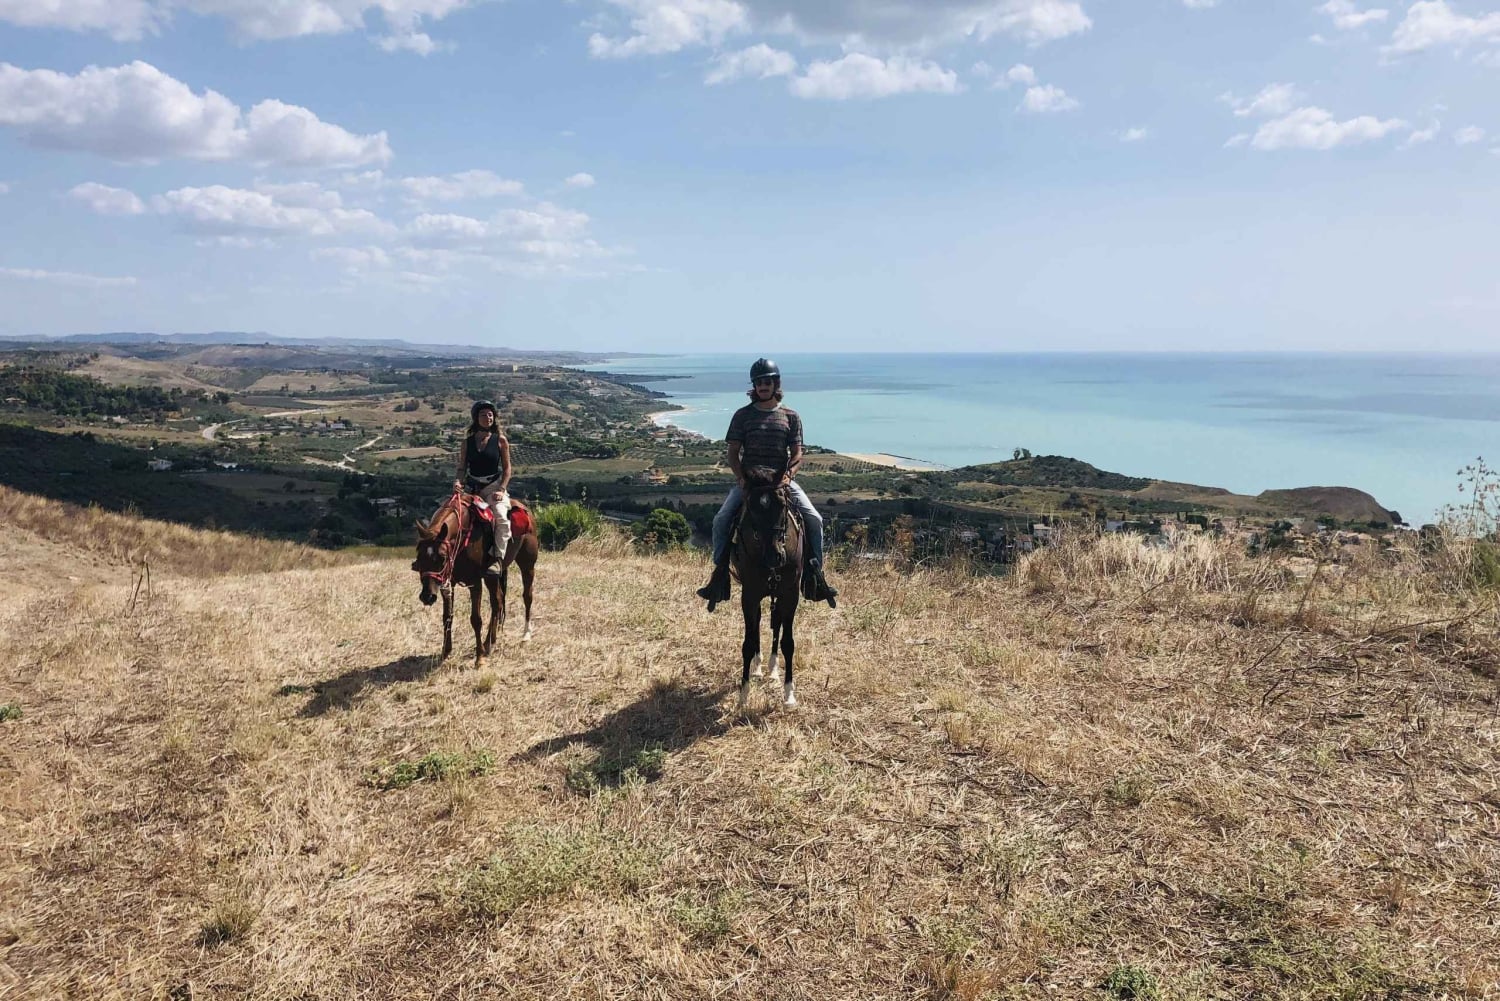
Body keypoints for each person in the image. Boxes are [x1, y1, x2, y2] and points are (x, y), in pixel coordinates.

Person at [697, 358, 837, 609]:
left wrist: (789, 475)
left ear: (775, 384)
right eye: (759, 382)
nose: (763, 386)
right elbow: (733, 453)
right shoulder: (742, 416)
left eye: (767, 381)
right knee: (721, 520)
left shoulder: (790, 417)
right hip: (750, 483)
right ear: (754, 386)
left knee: (814, 519)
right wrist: (741, 478)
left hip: (780, 482)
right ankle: (719, 576)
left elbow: (797, 453)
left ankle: (815, 576)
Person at [454, 399, 512, 567]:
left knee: (501, 518)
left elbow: (507, 469)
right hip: (472, 488)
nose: (488, 417)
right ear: (475, 418)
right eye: (483, 414)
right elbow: (462, 468)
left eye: (490, 414)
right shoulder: (467, 443)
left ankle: (497, 559)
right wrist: (458, 481)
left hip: (493, 487)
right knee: (451, 514)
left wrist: (502, 489)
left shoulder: (500, 441)